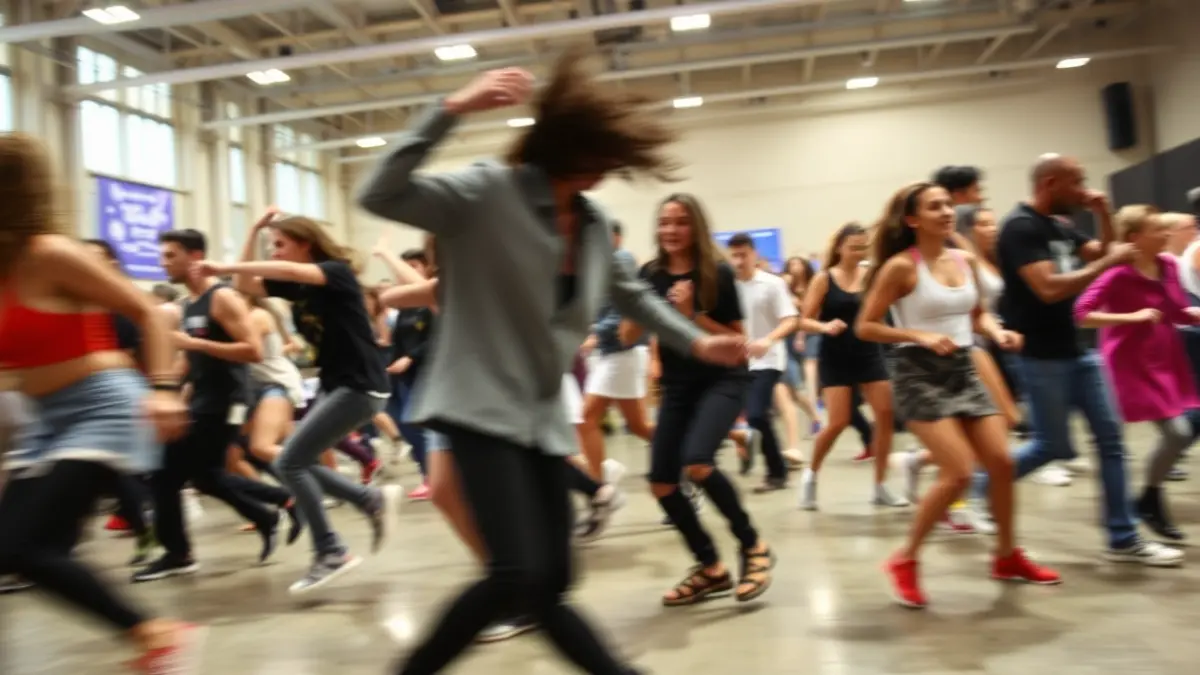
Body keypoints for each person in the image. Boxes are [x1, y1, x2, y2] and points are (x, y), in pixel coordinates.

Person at [357, 51, 746, 675]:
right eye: (601, 154)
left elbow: (635, 297)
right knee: (516, 572)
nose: (607, 168)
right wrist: (452, 108)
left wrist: (697, 342)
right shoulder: (487, 192)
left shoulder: (593, 225)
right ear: (569, 146)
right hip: (477, 405)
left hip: (537, 416)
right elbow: (380, 191)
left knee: (549, 579)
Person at [0, 132, 202, 671]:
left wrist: (161, 389)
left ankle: (152, 632)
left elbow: (151, 314)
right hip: (45, 421)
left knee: (19, 546)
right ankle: (149, 635)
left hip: (102, 408)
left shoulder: (50, 254)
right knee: (24, 549)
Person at [972, 153, 1183, 566]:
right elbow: (1050, 289)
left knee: (1111, 442)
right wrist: (1109, 260)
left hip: (1079, 352)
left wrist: (1102, 214)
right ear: (1050, 183)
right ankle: (977, 487)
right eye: (1077, 182)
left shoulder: (1060, 225)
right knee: (1050, 448)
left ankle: (1123, 538)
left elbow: (1098, 252)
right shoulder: (1021, 228)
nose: (1084, 189)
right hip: (1041, 355)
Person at [857, 181, 1060, 608]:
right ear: (913, 220)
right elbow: (867, 326)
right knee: (959, 473)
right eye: (935, 207)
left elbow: (978, 315)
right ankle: (905, 559)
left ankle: (1006, 556)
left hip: (964, 368)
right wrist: (918, 334)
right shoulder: (900, 267)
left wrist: (997, 331)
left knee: (1002, 463)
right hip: (918, 372)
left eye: (949, 204)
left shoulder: (965, 260)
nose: (947, 212)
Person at [213, 212, 391, 594]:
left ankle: (331, 550)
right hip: (336, 385)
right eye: (272, 246)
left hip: (359, 385)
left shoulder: (335, 273)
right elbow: (244, 283)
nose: (275, 252)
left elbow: (286, 274)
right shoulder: (300, 289)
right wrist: (253, 231)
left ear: (304, 244)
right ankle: (365, 498)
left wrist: (227, 263)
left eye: (280, 244)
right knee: (292, 460)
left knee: (290, 461)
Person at [629, 194, 776, 607]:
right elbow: (647, 329)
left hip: (722, 379)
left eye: (679, 222)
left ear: (695, 227)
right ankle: (710, 567)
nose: (670, 230)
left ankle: (753, 545)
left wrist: (692, 313)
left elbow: (738, 340)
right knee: (660, 482)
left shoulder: (718, 274)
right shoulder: (650, 273)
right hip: (678, 384)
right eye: (664, 222)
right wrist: (651, 352)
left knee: (697, 462)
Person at [133, 228, 286, 584]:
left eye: (171, 255)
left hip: (227, 401)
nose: (163, 262)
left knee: (166, 472)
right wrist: (163, 391)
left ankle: (178, 553)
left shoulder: (223, 298)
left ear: (195, 256)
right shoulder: (190, 304)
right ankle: (270, 510)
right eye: (163, 255)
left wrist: (193, 345)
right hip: (204, 399)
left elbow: (253, 350)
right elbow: (188, 358)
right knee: (205, 476)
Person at [1074, 205, 1200, 540]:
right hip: (1128, 363)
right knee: (1126, 438)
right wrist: (1130, 318)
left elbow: (1173, 310)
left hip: (1165, 359)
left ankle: (1148, 497)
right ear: (1134, 238)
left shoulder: (1168, 265)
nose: (1166, 234)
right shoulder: (1117, 273)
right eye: (1157, 229)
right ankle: (1130, 507)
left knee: (1179, 433)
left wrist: (1195, 314)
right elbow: (1082, 313)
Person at [798, 223, 907, 510]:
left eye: (863, 246)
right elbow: (803, 319)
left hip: (868, 353)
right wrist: (824, 325)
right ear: (839, 248)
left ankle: (880, 485)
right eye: (853, 247)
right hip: (835, 356)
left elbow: (879, 313)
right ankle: (810, 476)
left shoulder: (871, 276)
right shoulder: (824, 279)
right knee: (838, 422)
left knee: (885, 414)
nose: (859, 252)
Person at [579, 222, 652, 488]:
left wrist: (595, 332)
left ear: (615, 237)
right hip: (613, 354)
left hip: (624, 351)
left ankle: (599, 486)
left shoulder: (620, 260)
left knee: (586, 418)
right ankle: (600, 483)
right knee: (638, 425)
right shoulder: (601, 265)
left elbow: (627, 308)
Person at [727, 233, 799, 492]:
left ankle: (776, 471)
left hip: (768, 359)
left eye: (743, 255)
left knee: (756, 415)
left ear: (754, 255)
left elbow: (791, 319)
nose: (738, 261)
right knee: (743, 417)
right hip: (737, 362)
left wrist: (768, 340)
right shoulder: (728, 286)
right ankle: (769, 464)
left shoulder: (771, 284)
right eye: (733, 255)